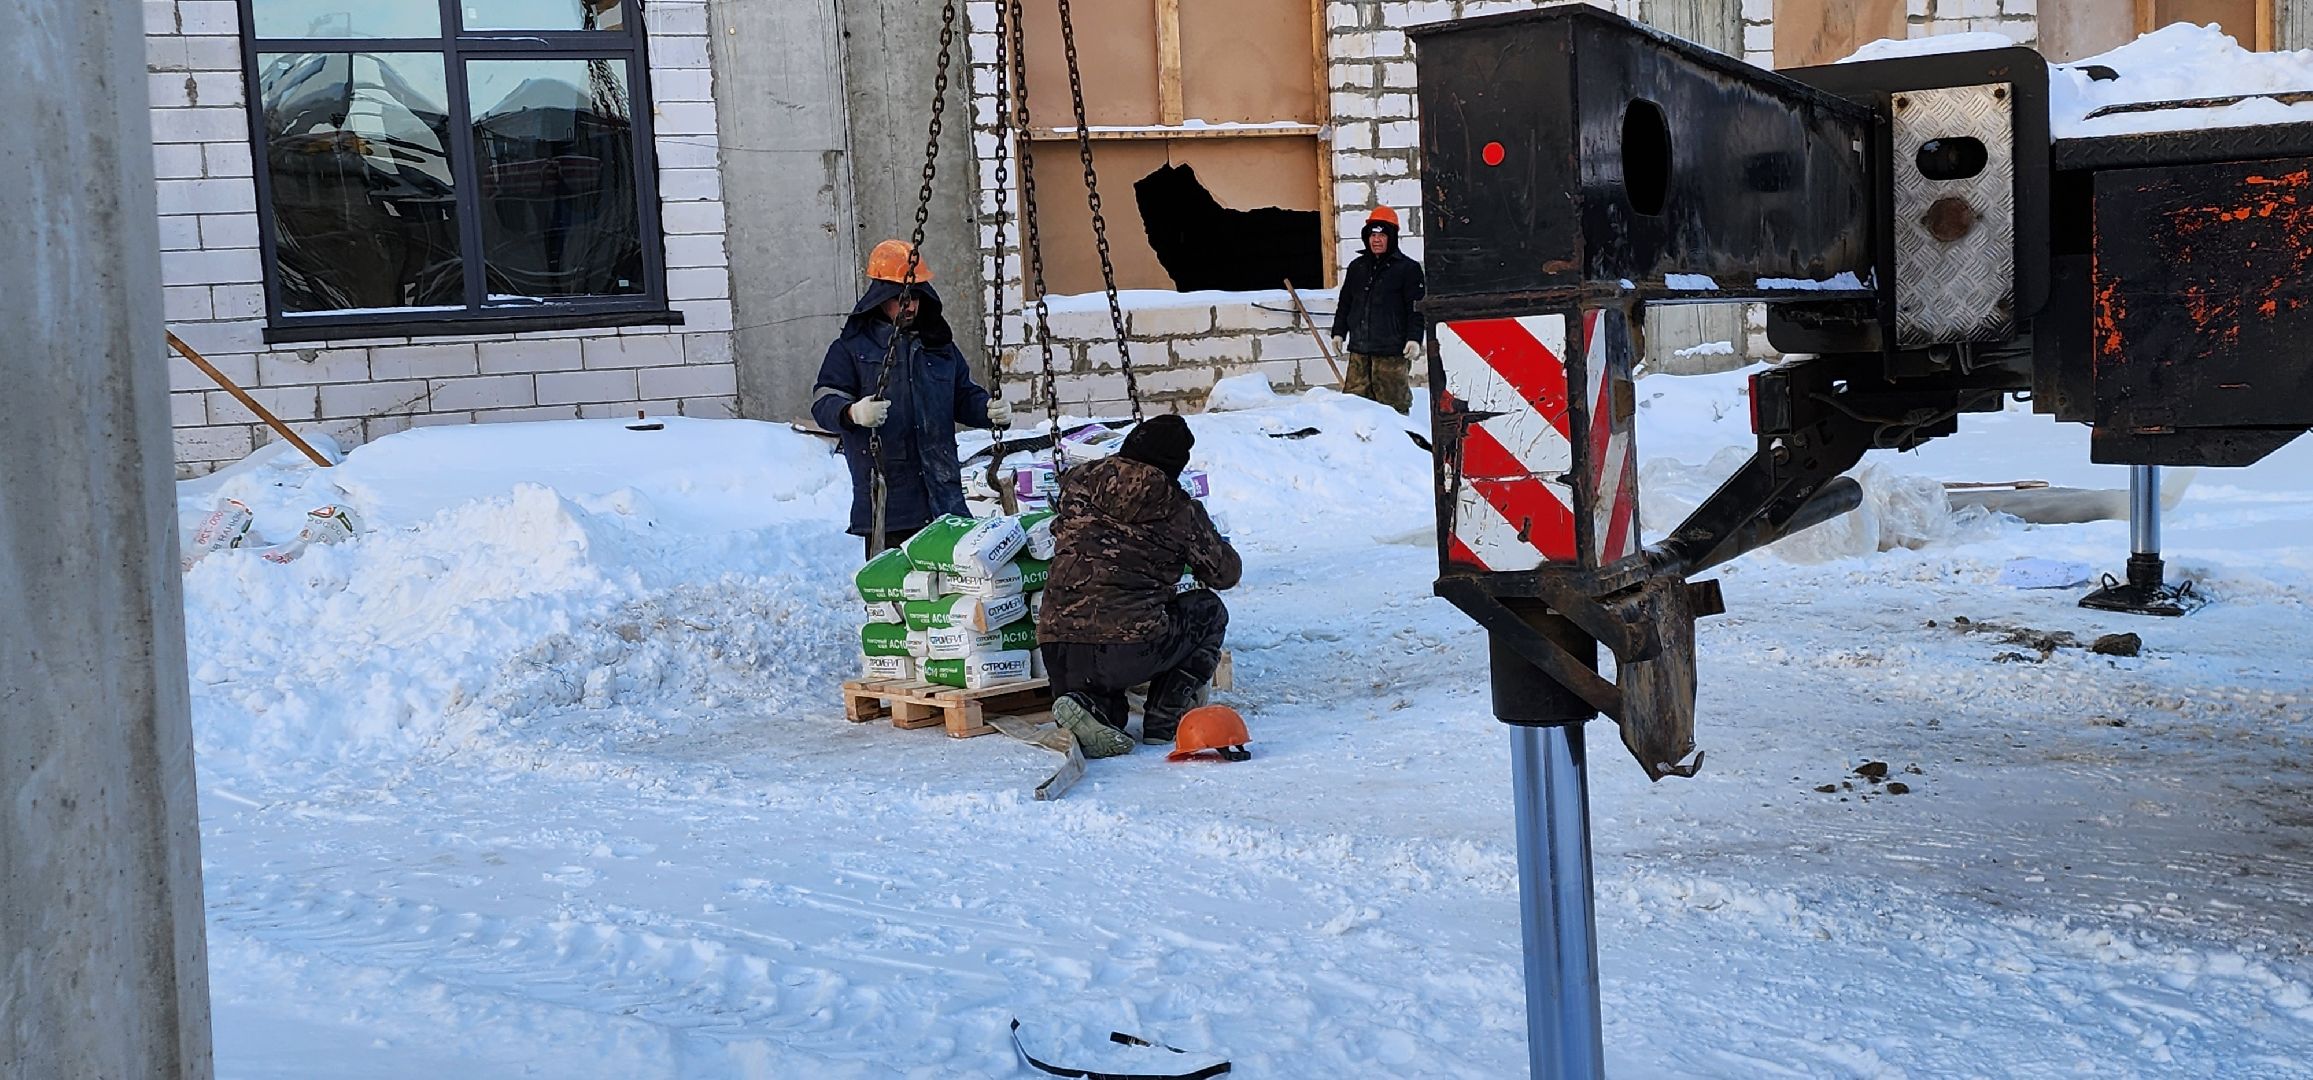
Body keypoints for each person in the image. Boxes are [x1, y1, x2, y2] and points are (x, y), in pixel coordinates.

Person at [1038, 414, 1241, 759]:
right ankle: (1165, 717)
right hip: (1126, 649)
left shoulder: (1077, 483)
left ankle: (1091, 708)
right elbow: (1225, 574)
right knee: (1208, 610)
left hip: (1057, 646)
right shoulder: (1180, 509)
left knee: (1105, 703)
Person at [812, 240, 1012, 557]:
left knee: (951, 595)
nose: (910, 306)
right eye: (900, 298)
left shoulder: (938, 347)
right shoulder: (852, 348)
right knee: (896, 597)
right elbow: (824, 400)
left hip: (942, 497)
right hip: (889, 502)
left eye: (915, 297)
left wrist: (988, 410)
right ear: (880, 298)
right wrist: (852, 412)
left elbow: (962, 395)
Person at [1329, 205, 1426, 414]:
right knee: (1354, 410)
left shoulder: (1408, 269)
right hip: (1359, 353)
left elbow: (1416, 310)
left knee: (1394, 411)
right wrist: (1338, 332)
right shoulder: (1357, 267)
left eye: (1382, 235)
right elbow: (1345, 303)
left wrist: (1414, 339)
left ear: (1392, 237)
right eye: (1373, 234)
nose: (1376, 240)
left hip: (1391, 356)